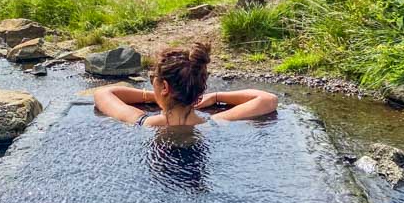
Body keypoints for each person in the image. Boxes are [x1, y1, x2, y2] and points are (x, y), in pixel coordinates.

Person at [92, 42, 278, 126]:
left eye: (152, 81)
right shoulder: (214, 123)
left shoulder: (142, 122)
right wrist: (215, 97)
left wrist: (153, 97)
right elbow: (268, 99)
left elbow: (103, 94)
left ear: (164, 87)